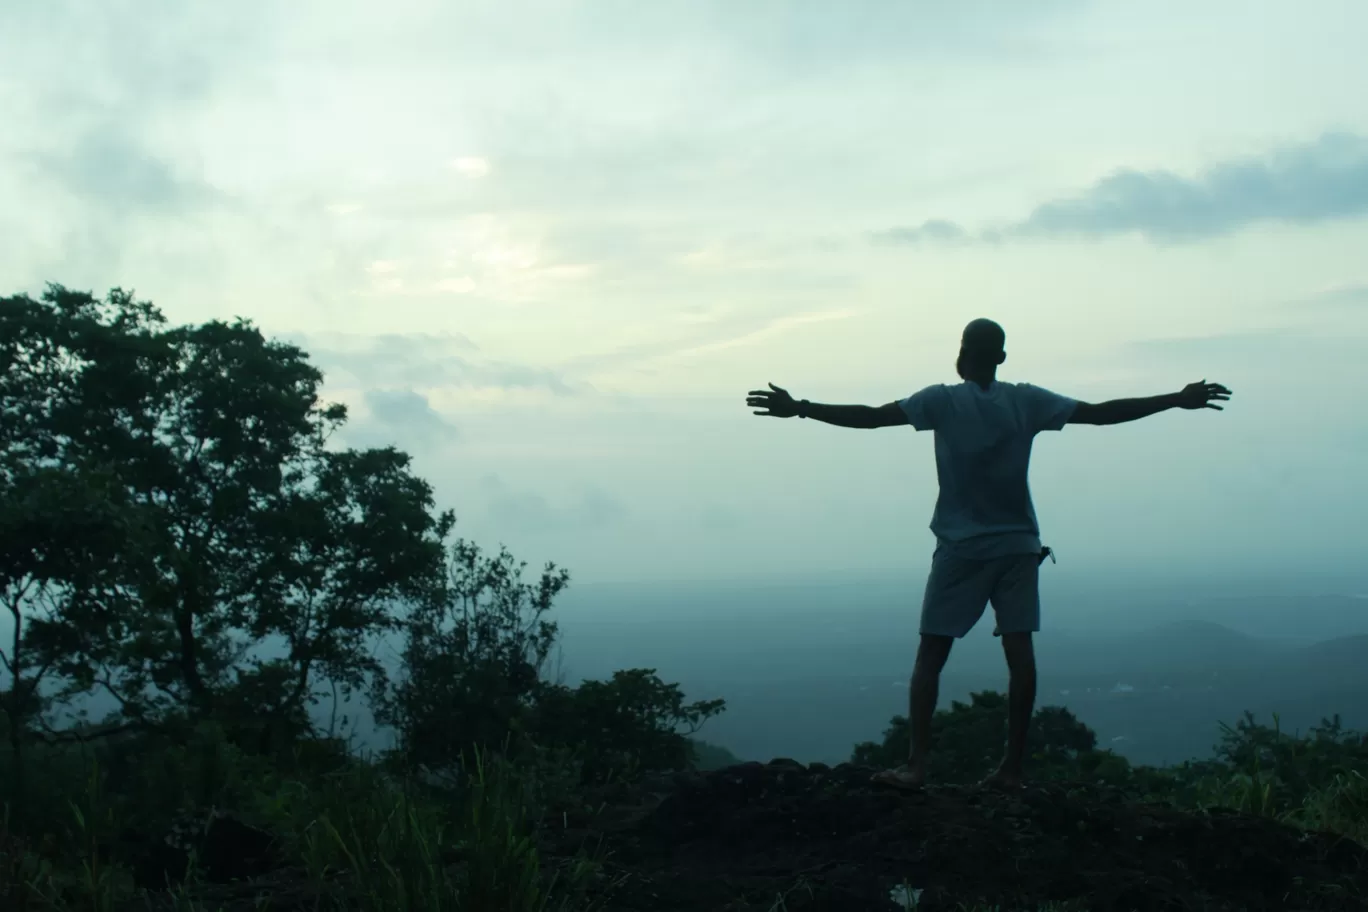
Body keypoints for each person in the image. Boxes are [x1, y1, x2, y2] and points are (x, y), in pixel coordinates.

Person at [745, 318, 1231, 790]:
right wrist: (1175, 400)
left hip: (963, 547)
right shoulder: (1026, 401)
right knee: (1019, 656)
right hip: (1019, 544)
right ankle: (1012, 769)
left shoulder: (941, 401)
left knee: (931, 654)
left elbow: (871, 418)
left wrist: (802, 408)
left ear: (961, 354)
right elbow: (1102, 412)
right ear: (1000, 357)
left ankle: (917, 765)